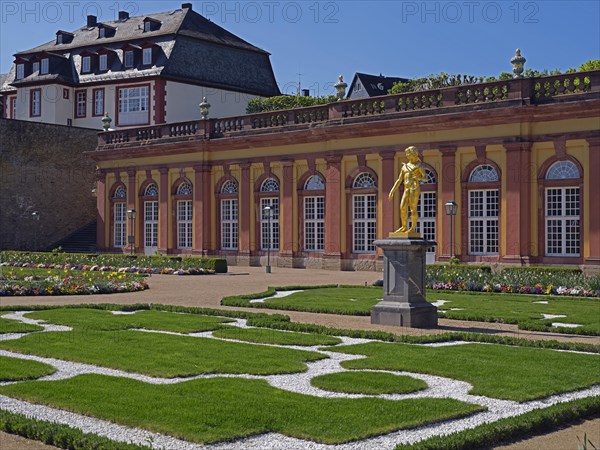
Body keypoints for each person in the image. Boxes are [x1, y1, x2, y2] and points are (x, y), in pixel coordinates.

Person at [389, 146, 428, 233]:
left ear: (413, 154)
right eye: (407, 154)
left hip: (414, 188)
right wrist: (392, 191)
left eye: (408, 154)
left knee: (413, 209)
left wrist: (419, 177)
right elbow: (399, 180)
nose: (407, 156)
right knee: (402, 207)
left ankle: (413, 228)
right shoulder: (405, 167)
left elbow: (426, 178)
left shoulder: (419, 166)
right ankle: (404, 227)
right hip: (406, 189)